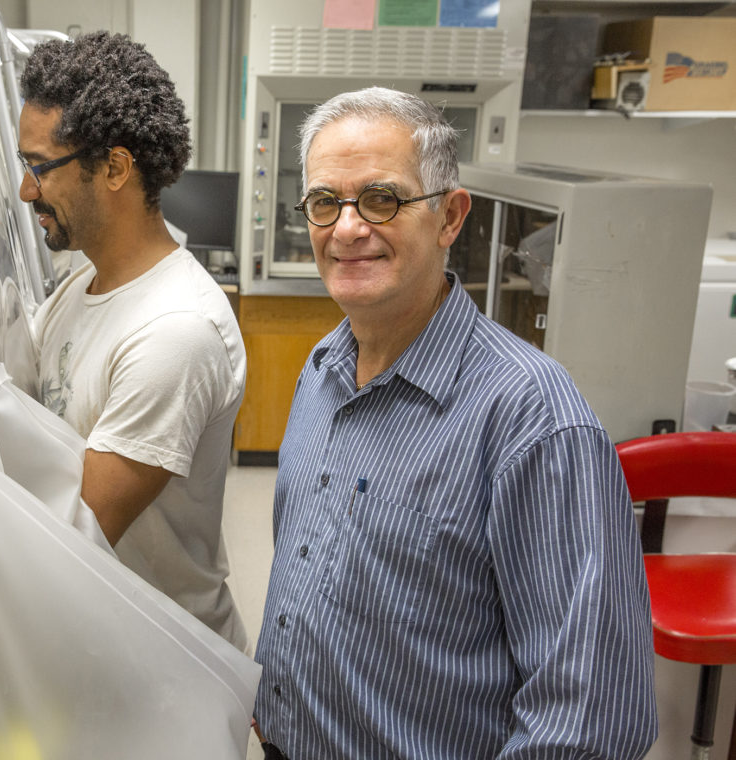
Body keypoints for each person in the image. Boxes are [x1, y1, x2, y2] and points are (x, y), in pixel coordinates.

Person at [252, 87, 657, 759]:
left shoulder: (533, 419)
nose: (348, 228)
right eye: (326, 202)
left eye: (382, 198)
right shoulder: (322, 368)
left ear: (450, 217)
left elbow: (590, 721)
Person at [17, 31, 248, 649]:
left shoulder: (175, 330)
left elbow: (78, 530)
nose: (25, 191)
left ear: (115, 167)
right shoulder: (79, 287)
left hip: (170, 666)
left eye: (39, 168)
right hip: (103, 643)